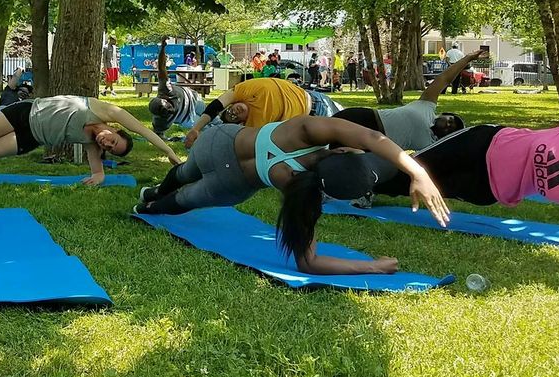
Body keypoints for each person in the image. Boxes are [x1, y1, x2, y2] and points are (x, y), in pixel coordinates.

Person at [370, 7, 559, 254]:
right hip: (482, 144)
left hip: (486, 188)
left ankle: (359, 185)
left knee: (404, 185)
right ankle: (355, 166)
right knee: (414, 164)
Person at [136, 117, 450, 275]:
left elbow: (371, 136)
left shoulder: (304, 131)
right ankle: (148, 207)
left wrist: (417, 172)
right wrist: (373, 266)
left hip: (218, 144)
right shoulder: (303, 192)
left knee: (183, 172)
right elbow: (308, 262)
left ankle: (152, 193)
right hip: (230, 185)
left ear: (341, 150)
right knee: (182, 201)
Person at [0, 95, 183, 185]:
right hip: (24, 113)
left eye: (110, 148)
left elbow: (97, 171)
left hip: (31, 137)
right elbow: (145, 131)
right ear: (116, 130)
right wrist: (169, 151)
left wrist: (99, 176)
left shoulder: (91, 145)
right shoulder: (105, 110)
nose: (108, 143)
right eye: (114, 140)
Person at [334, 48, 485, 151]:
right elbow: (444, 79)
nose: (448, 124)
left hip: (371, 144)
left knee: (332, 151)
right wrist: (468, 58)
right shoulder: (427, 107)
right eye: (451, 120)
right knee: (318, 134)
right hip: (365, 118)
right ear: (445, 114)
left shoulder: (429, 144)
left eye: (451, 129)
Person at [184, 75, 341, 149]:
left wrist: (195, 129)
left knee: (358, 120)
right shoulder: (255, 129)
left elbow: (215, 106)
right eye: (234, 117)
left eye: (229, 110)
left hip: (316, 98)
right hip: (315, 121)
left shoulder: (242, 91)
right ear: (241, 123)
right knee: (347, 140)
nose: (234, 112)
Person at [148, 38, 207, 134]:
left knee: (211, 116)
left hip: (193, 98)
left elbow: (161, 67)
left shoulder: (165, 89)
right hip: (187, 118)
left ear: (165, 98)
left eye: (168, 107)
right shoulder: (160, 122)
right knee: (205, 127)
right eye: (166, 113)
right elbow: (156, 135)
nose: (170, 110)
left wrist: (163, 48)